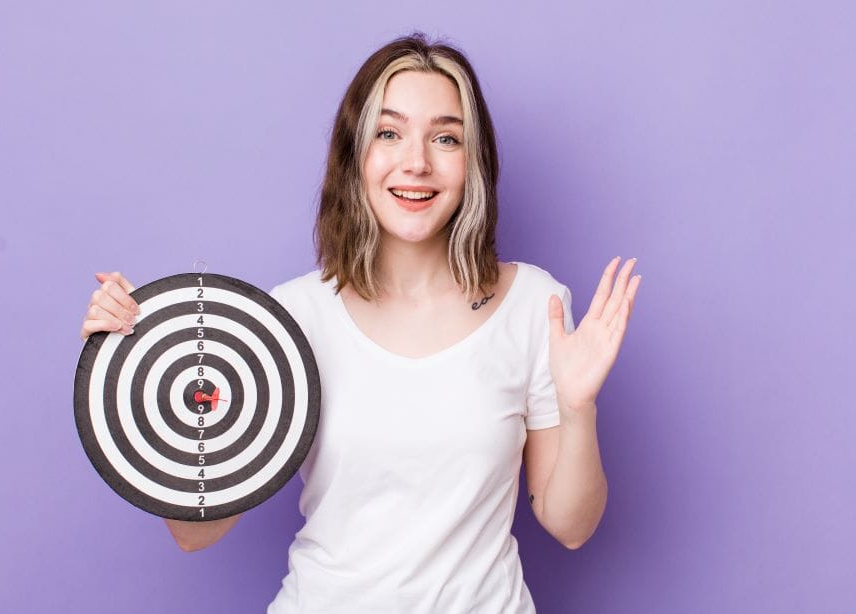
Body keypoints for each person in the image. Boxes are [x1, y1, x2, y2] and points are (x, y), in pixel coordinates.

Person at [79, 33, 641, 613]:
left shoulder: (534, 305)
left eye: (445, 137)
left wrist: (578, 409)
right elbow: (194, 533)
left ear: (473, 161)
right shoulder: (294, 317)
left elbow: (570, 525)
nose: (417, 161)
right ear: (356, 155)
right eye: (389, 133)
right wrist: (135, 368)